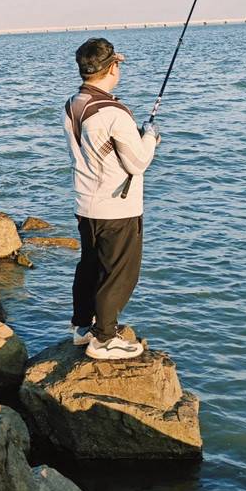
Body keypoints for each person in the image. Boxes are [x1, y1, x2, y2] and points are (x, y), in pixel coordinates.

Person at [63, 38, 160, 359]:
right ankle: (104, 338)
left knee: (90, 266)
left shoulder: (73, 104)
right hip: (116, 208)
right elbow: (138, 162)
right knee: (119, 274)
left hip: (85, 204)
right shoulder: (114, 113)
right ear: (112, 68)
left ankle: (82, 327)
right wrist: (150, 137)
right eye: (117, 64)